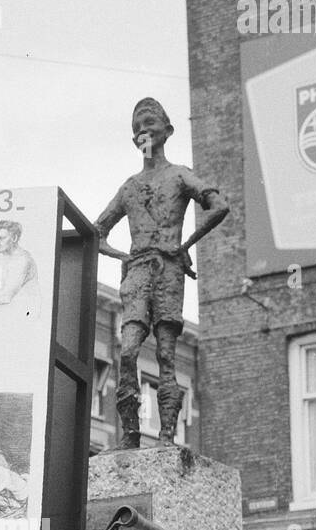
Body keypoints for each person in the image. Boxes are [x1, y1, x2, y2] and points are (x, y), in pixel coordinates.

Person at [95, 98, 228, 447]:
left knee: (167, 354)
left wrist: (185, 246)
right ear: (134, 139)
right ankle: (130, 434)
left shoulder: (179, 175)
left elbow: (218, 206)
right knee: (128, 350)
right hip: (138, 271)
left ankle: (167, 434)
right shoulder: (129, 187)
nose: (144, 130)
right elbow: (97, 233)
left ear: (167, 131)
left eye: (150, 122)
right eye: (137, 127)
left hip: (168, 270)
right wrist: (124, 256)